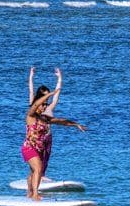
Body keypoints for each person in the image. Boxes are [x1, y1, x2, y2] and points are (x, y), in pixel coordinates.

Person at [22, 67, 87, 199]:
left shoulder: (45, 118)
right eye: (43, 104)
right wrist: (48, 94)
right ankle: (35, 194)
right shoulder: (31, 116)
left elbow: (61, 121)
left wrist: (76, 124)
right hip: (29, 147)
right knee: (38, 168)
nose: (45, 106)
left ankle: (29, 193)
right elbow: (34, 105)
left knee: (34, 171)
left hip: (41, 147)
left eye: (46, 104)